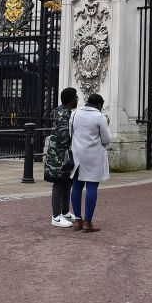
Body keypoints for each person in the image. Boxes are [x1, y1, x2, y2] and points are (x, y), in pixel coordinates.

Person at [69, 92, 111, 233]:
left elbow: (71, 133)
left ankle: (78, 220)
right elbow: (107, 139)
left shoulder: (74, 114)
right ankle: (87, 222)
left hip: (77, 154)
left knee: (76, 186)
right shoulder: (100, 117)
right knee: (92, 187)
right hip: (93, 156)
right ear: (99, 105)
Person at [43, 87, 77, 228]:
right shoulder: (65, 115)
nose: (77, 99)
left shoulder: (60, 111)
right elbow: (64, 137)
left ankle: (64, 212)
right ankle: (56, 216)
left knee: (66, 182)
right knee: (58, 184)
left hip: (57, 154)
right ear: (71, 100)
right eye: (75, 97)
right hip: (60, 155)